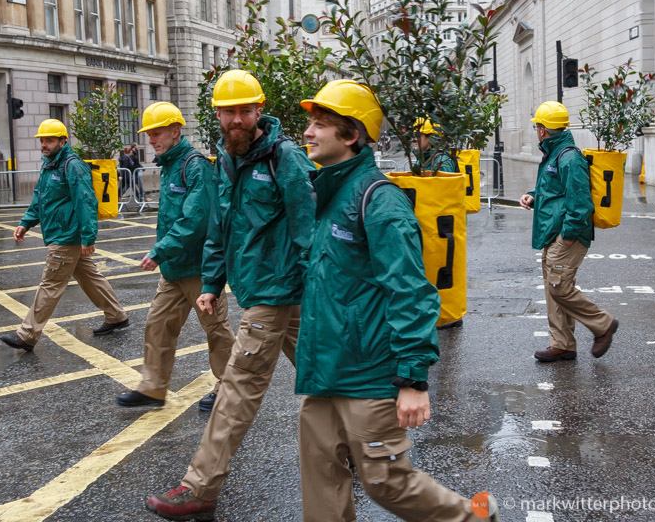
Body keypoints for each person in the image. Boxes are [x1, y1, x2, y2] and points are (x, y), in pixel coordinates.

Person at [295, 80, 479, 522]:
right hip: (324, 374)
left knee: (387, 483)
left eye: (320, 124)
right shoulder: (328, 192)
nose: (307, 132)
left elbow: (412, 293)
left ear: (351, 136)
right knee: (321, 486)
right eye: (310, 123)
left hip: (370, 375)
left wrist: (414, 380)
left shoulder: (379, 202)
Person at [145, 70, 316, 521]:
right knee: (321, 368)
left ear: (259, 110)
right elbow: (220, 227)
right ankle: (365, 447)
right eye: (228, 111)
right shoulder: (227, 159)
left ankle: (199, 487)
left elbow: (308, 231)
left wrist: (318, 289)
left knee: (237, 389)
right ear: (217, 114)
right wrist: (210, 284)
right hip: (261, 288)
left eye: (245, 110)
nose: (236, 119)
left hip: (276, 292)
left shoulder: (286, 158)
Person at [115, 102, 236, 412]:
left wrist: (159, 251)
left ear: (175, 131)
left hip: (198, 267)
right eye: (149, 134)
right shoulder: (170, 164)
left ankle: (231, 389)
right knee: (157, 325)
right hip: (174, 269)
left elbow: (194, 220)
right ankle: (153, 388)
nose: (151, 140)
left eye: (156, 133)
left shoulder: (193, 165)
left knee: (217, 331)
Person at [0, 119, 130, 352]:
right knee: (90, 277)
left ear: (63, 141)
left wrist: (88, 237)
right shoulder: (49, 166)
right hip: (61, 232)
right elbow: (40, 198)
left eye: (49, 140)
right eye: (42, 140)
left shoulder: (73, 165)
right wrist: (25, 223)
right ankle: (116, 315)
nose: (44, 145)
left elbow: (86, 201)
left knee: (50, 284)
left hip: (67, 235)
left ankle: (27, 334)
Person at [519, 101, 618, 362]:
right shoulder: (554, 153)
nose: (536, 131)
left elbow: (580, 203)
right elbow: (554, 192)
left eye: (537, 127)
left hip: (566, 234)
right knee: (554, 286)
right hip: (553, 232)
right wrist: (533, 196)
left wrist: (569, 235)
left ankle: (603, 324)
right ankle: (562, 344)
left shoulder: (569, 157)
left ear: (542, 129)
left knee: (560, 287)